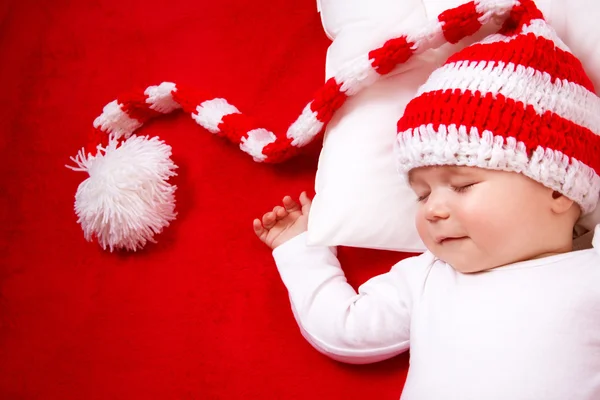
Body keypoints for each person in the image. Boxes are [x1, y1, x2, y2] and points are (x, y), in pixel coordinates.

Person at [253, 1, 600, 398]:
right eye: (421, 194)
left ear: (557, 188)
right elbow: (343, 329)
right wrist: (300, 249)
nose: (433, 209)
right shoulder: (427, 278)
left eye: (463, 185)